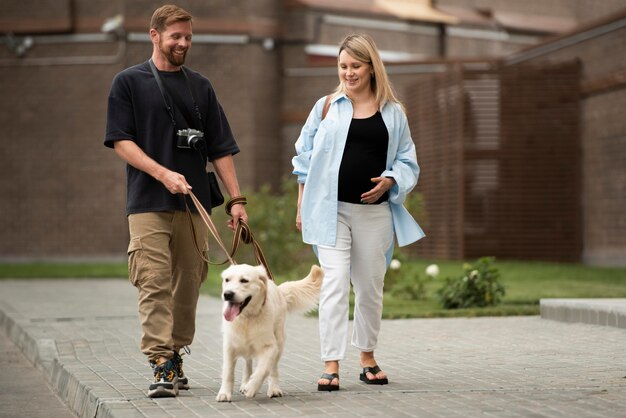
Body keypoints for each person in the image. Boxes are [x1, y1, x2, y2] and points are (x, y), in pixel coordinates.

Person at [104, 4, 247, 398]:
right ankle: (160, 362)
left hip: (194, 204)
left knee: (189, 283)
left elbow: (220, 149)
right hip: (147, 201)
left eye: (188, 37)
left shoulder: (200, 86)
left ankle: (176, 350)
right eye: (176, 37)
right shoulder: (128, 82)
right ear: (155, 35)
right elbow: (121, 141)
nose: (183, 43)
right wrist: (162, 173)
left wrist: (236, 200)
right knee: (153, 281)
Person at [292, 33, 424, 391]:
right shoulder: (325, 107)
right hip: (330, 211)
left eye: (355, 66)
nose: (348, 73)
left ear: (371, 67)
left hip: (375, 213)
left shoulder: (393, 113)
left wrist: (390, 180)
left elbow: (408, 161)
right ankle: (331, 363)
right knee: (334, 282)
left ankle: (366, 358)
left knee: (369, 286)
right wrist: (301, 202)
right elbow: (303, 157)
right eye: (343, 66)